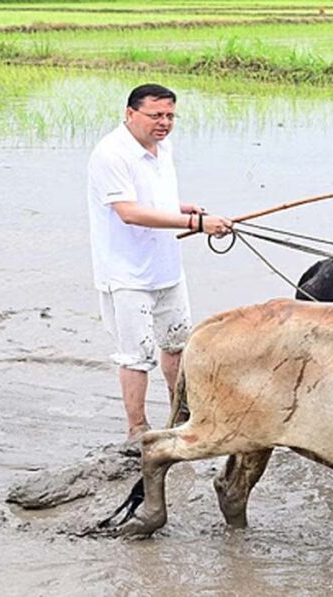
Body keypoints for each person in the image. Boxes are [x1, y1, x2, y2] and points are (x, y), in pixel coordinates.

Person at [86, 83, 232, 440]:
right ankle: (137, 430)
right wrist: (194, 223)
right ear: (130, 113)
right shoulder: (111, 154)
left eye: (170, 116)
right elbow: (129, 212)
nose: (164, 123)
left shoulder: (163, 147)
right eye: (155, 115)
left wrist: (183, 209)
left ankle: (180, 416)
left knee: (178, 344)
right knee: (136, 355)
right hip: (126, 274)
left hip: (167, 267)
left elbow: (151, 197)